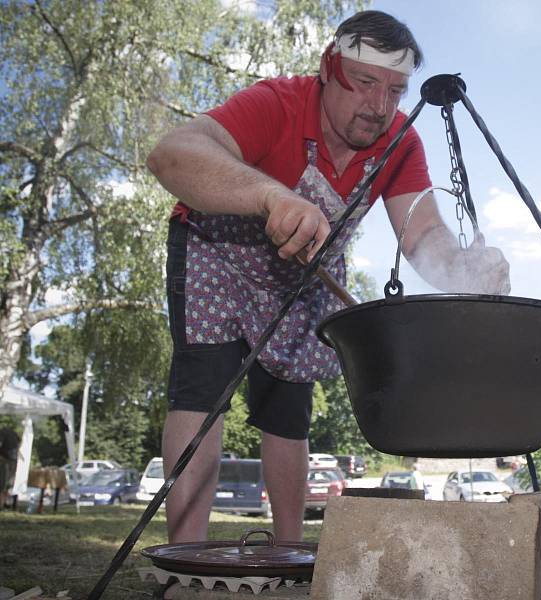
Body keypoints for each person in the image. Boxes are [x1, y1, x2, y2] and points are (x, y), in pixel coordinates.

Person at [146, 10, 510, 543]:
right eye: (364, 83)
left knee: (289, 407)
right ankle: (186, 560)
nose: (379, 107)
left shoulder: (400, 142)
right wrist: (272, 195)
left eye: (394, 91)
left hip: (304, 273)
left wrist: (465, 268)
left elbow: (422, 235)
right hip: (217, 254)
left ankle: (290, 553)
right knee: (203, 395)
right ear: (328, 67)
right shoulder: (278, 102)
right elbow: (171, 155)